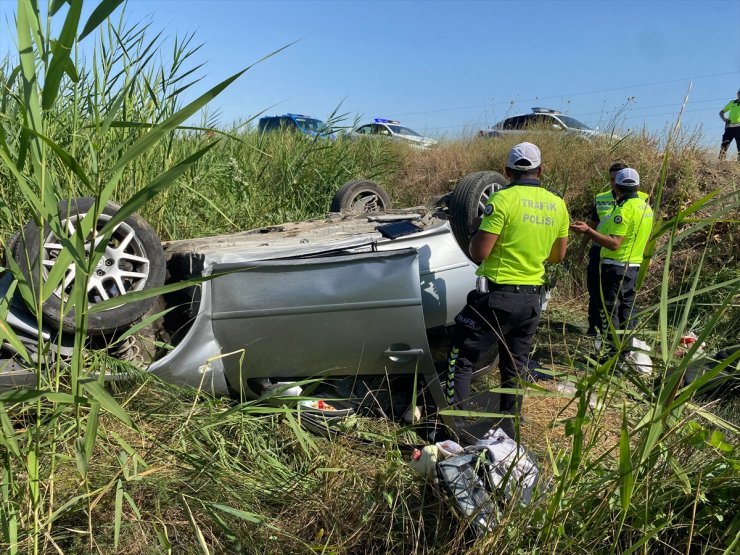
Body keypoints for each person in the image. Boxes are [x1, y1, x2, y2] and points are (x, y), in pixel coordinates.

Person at [444, 142, 569, 441]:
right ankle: (509, 432)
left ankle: (457, 432)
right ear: (540, 170)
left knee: (460, 359)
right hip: (531, 301)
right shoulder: (557, 204)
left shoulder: (502, 201)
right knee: (514, 367)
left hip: (496, 298)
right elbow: (557, 257)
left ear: (507, 171)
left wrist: (476, 232)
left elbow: (480, 252)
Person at [570, 168, 653, 338]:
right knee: (626, 310)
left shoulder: (623, 210)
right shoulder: (645, 208)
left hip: (616, 267)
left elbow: (614, 243)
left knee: (610, 311)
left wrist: (587, 231)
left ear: (617, 187)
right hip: (633, 266)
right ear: (637, 186)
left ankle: (611, 354)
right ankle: (625, 351)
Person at [719, 89, 740, 161]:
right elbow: (721, 112)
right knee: (724, 144)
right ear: (737, 94)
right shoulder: (732, 103)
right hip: (729, 127)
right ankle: (720, 162)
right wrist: (724, 119)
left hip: (739, 128)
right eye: (739, 93)